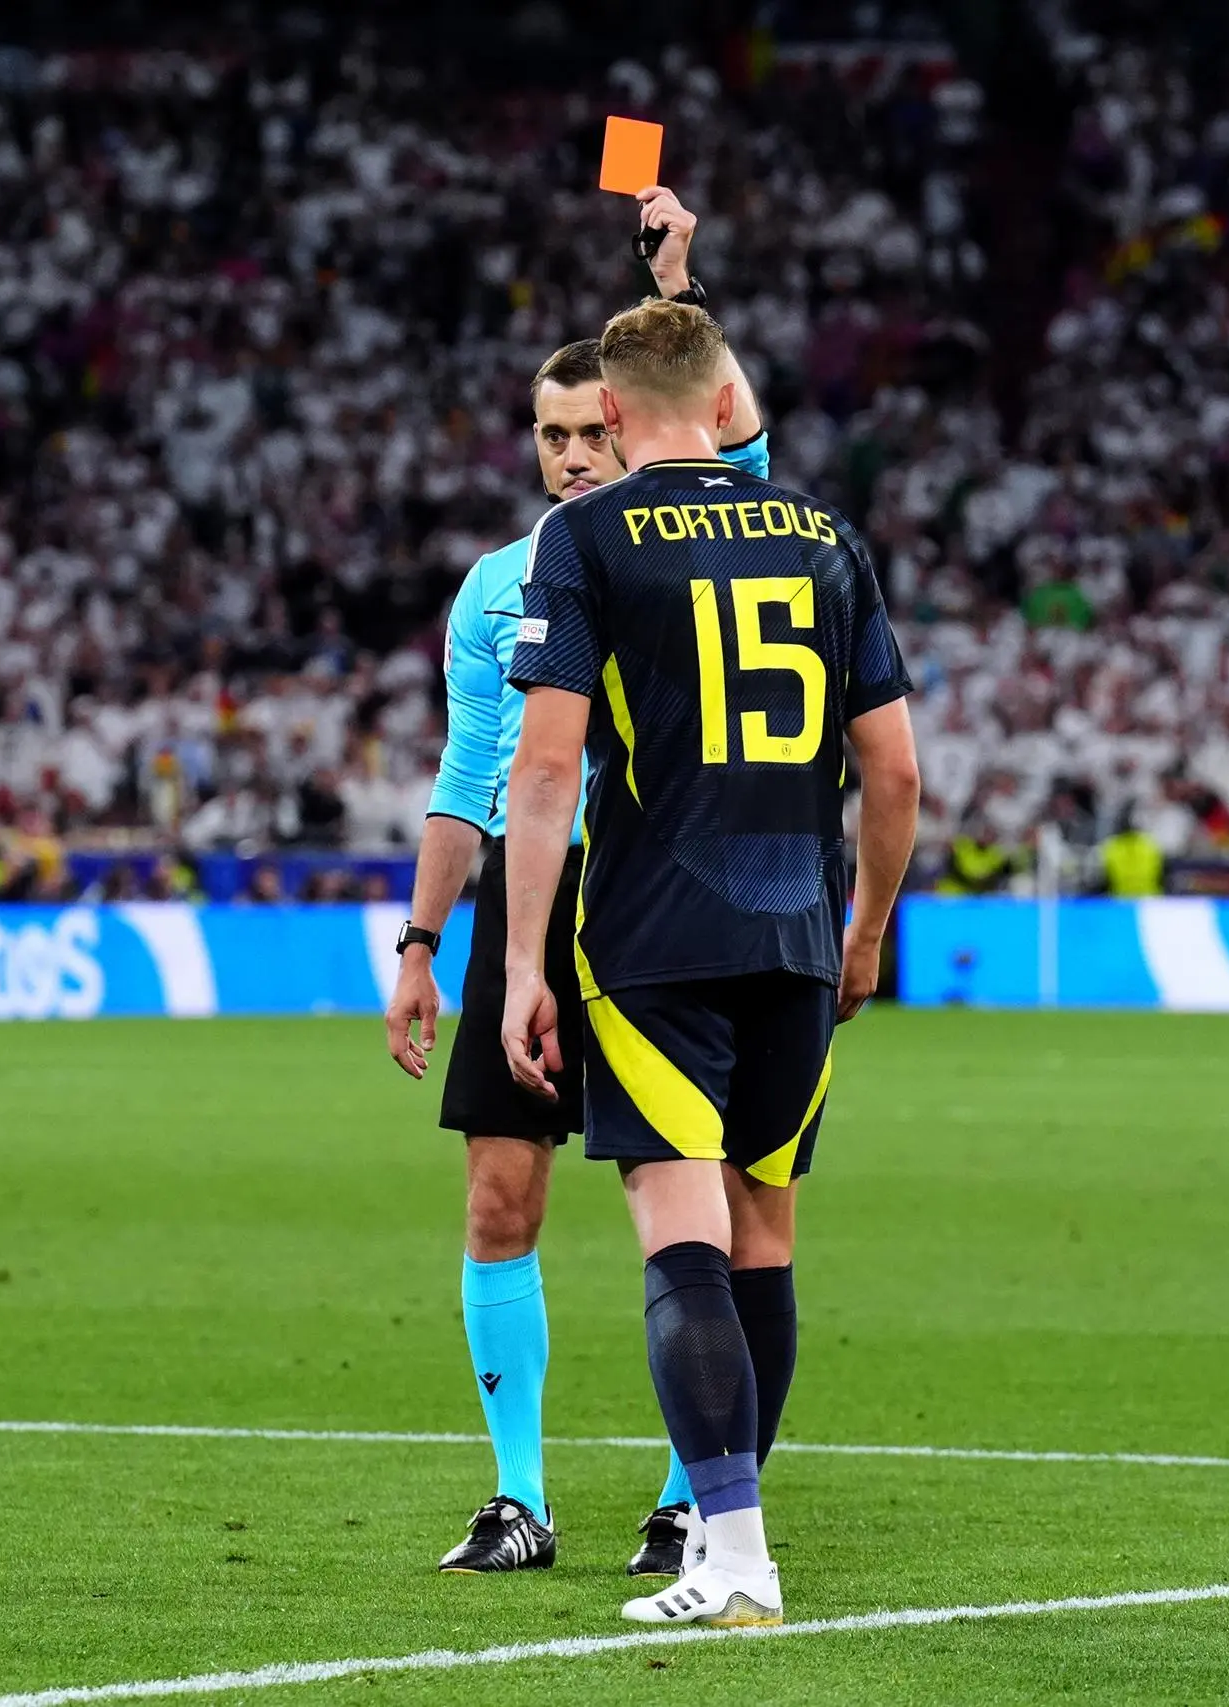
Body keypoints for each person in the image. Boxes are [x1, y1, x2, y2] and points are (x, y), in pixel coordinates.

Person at [501, 298, 919, 1626]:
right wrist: (863, 934)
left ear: (611, 412)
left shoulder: (588, 535)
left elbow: (551, 760)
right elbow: (896, 767)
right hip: (801, 929)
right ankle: (718, 1526)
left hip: (650, 934)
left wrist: (522, 961)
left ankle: (733, 1556)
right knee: (767, 1234)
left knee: (679, 1237)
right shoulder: (825, 535)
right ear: (728, 398)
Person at [384, 189, 771, 1576]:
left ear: (629, 421)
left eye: (584, 431)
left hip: (665, 896)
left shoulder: (697, 535)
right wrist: (424, 939)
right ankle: (518, 1498)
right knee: (502, 1194)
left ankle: (689, 1491)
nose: (564, 457)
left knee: (691, 1195)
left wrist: (684, 282)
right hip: (528, 905)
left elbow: (746, 443)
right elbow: (471, 771)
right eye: (545, 437)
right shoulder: (496, 585)